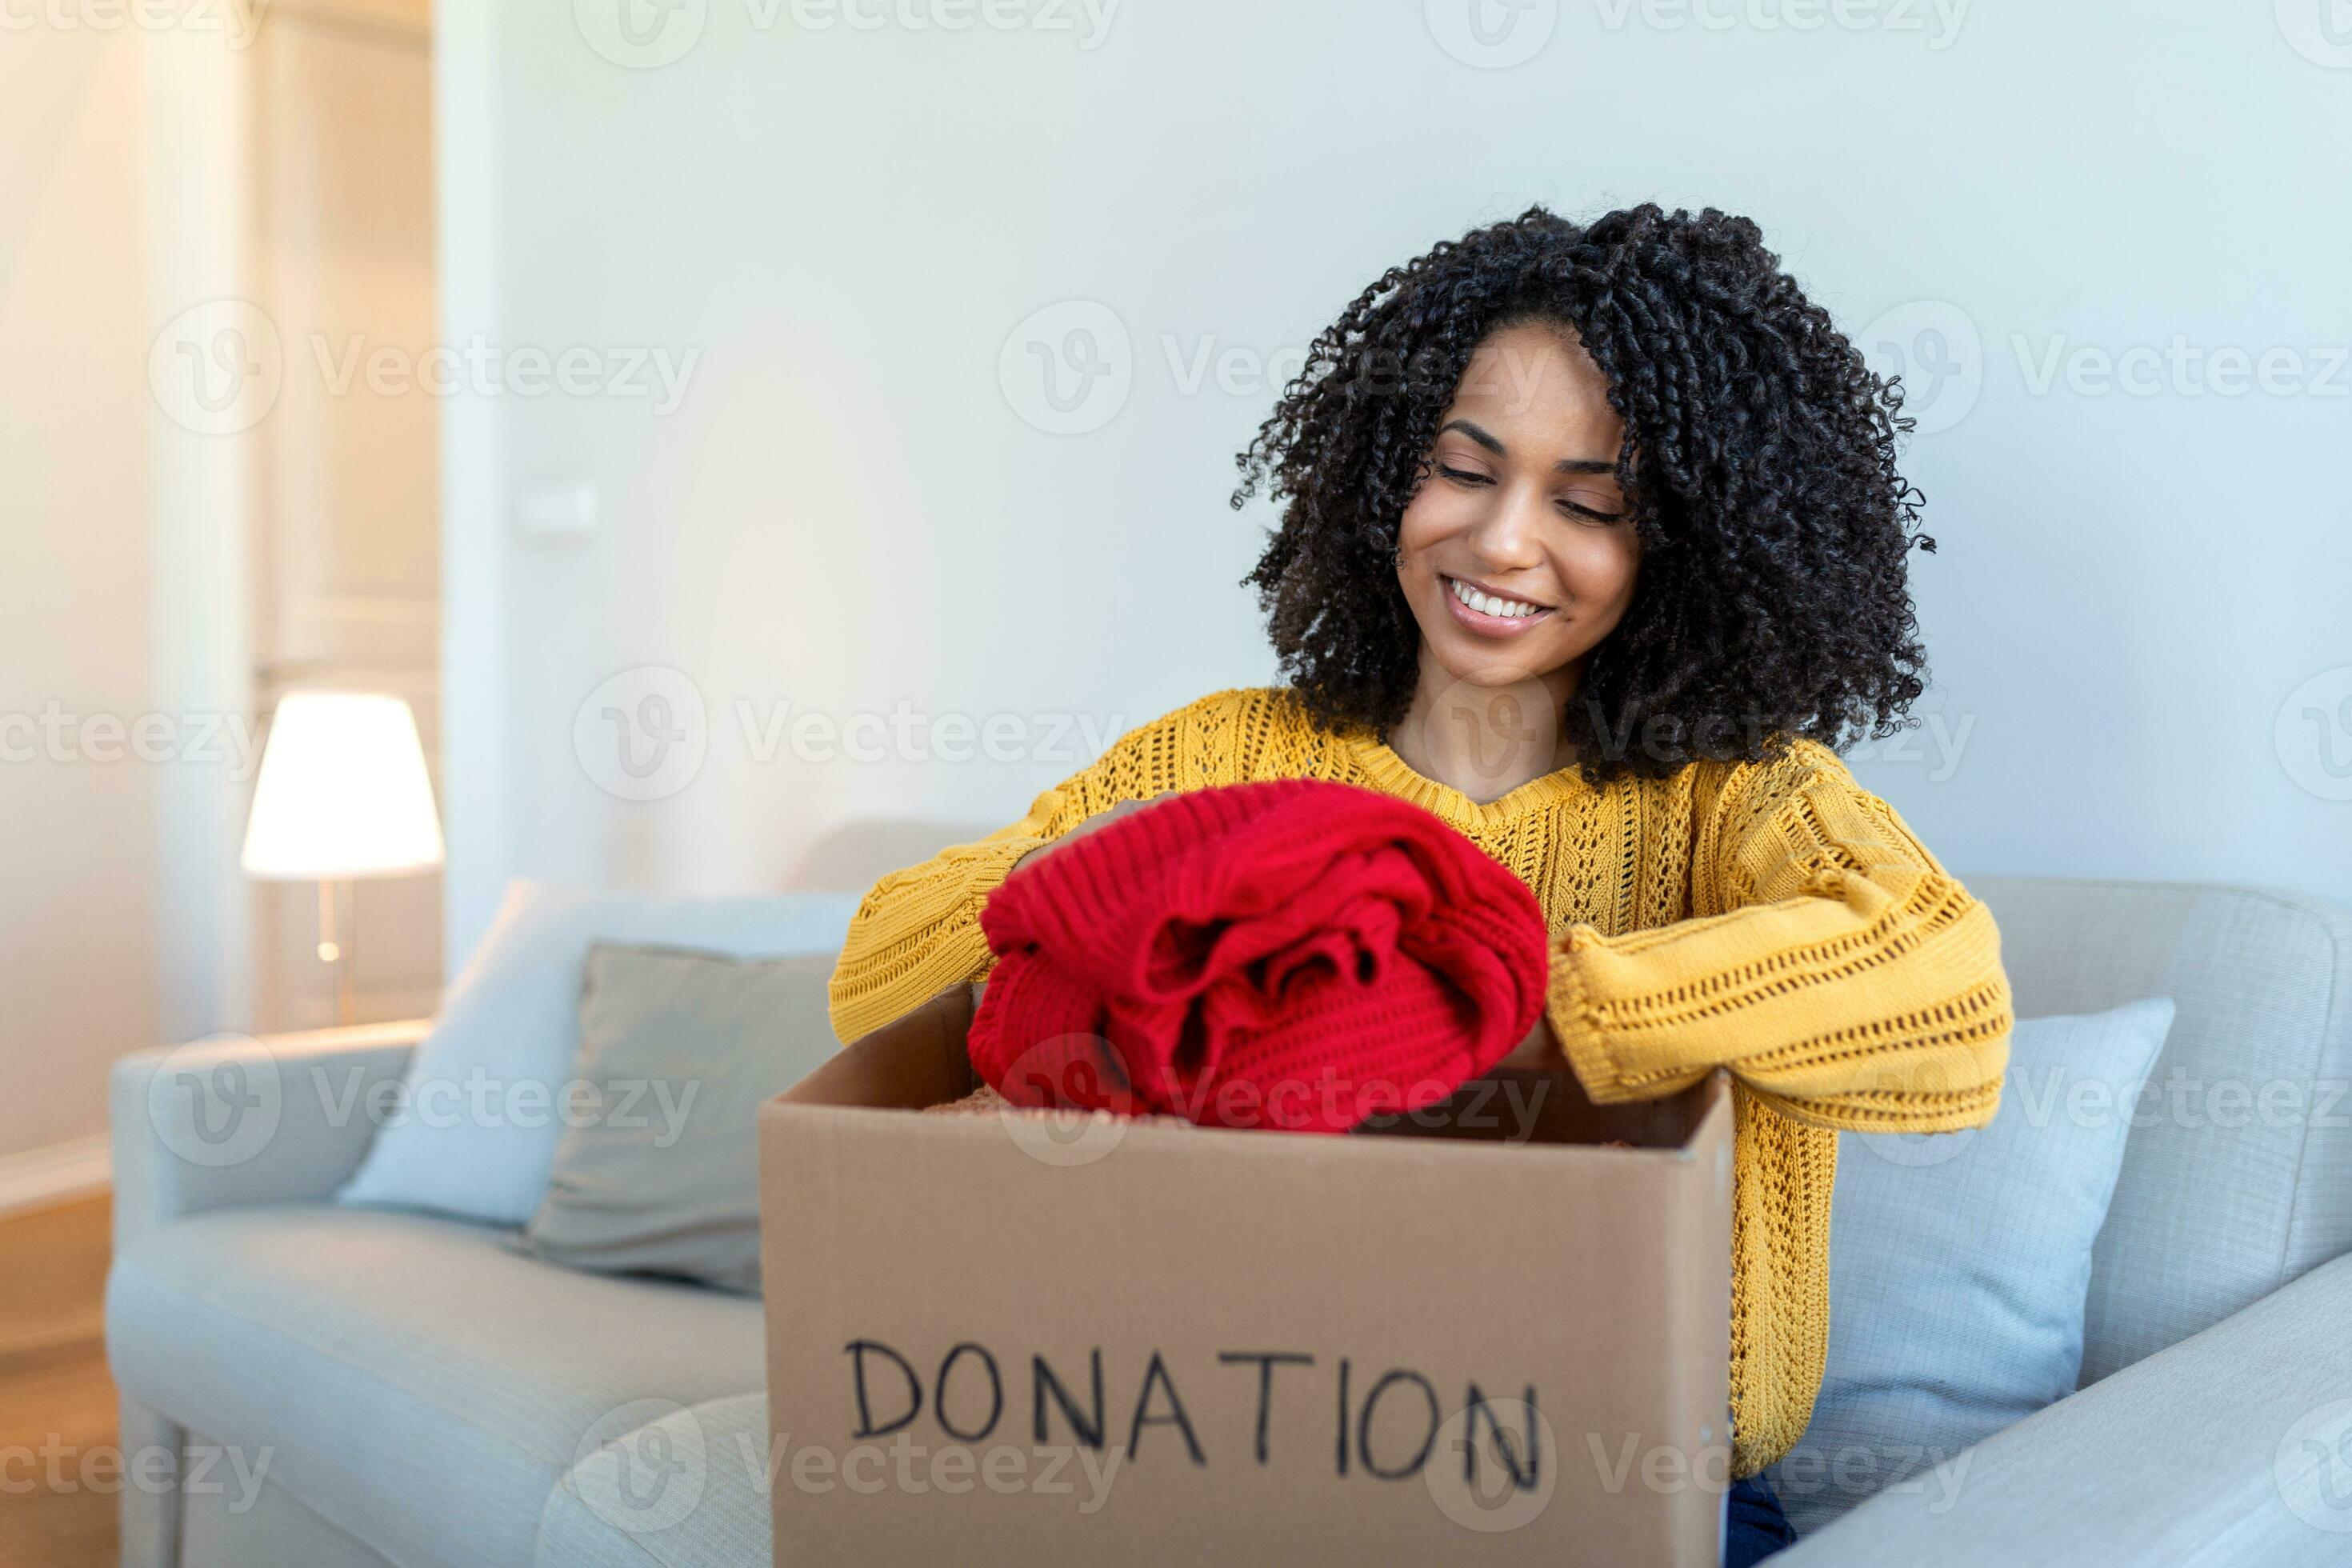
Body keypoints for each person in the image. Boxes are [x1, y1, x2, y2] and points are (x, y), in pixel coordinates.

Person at [827, 205, 2013, 1561]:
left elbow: (1950, 1001)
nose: (1504, 543)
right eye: (1464, 469)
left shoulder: (1742, 796)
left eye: (1588, 505)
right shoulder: (1225, 752)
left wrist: (1483, 1006)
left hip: (1638, 1484)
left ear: (1682, 550)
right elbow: (874, 972)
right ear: (1388, 471)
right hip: (1262, 1446)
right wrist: (1109, 891)